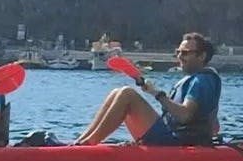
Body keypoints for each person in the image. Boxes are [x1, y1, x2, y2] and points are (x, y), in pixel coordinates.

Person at [71, 33, 221, 146]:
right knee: (116, 93)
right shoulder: (196, 80)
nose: (180, 56)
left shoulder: (202, 80)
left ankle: (86, 145)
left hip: (178, 142)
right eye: (178, 52)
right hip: (172, 137)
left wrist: (156, 94)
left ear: (202, 56)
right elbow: (211, 123)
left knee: (127, 94)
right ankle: (81, 142)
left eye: (186, 53)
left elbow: (185, 116)